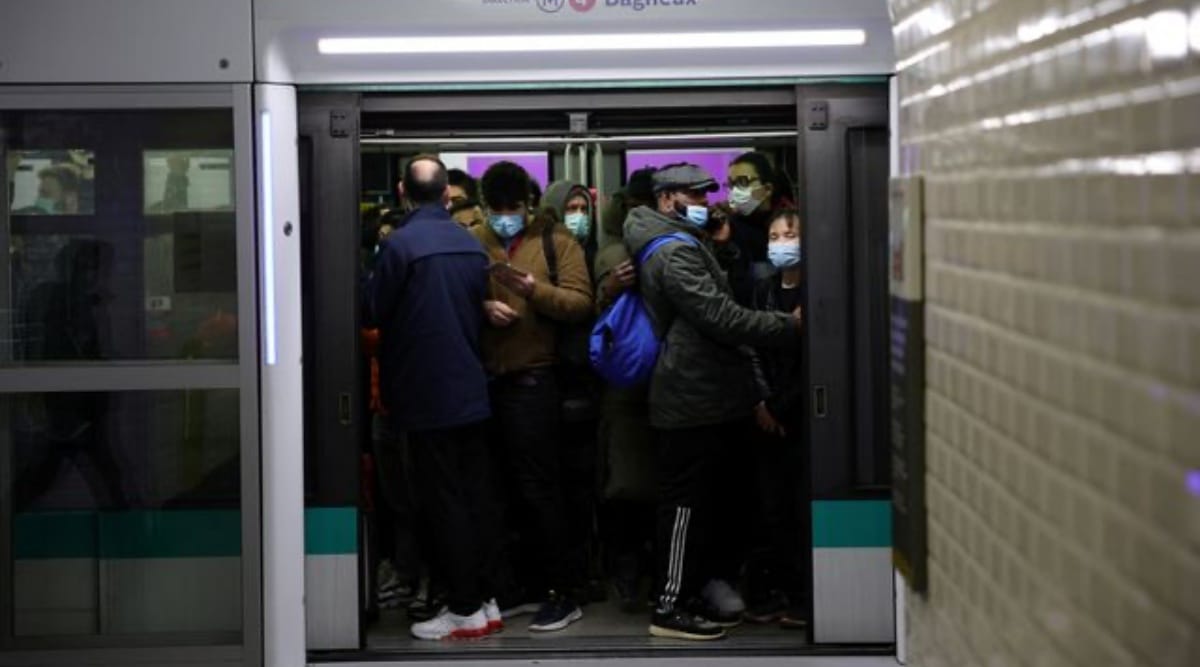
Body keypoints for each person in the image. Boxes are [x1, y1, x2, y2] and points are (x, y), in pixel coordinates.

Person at [622, 163, 802, 641]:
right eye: (693, 196)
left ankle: (692, 592)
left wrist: (720, 246)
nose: (704, 203)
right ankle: (668, 604)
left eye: (705, 195)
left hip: (705, 393)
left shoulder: (686, 242)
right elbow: (718, 316)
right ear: (666, 201)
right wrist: (788, 326)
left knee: (706, 505)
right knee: (682, 507)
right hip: (688, 396)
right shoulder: (673, 252)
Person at [365, 155, 499, 640]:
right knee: (474, 497)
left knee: (441, 503)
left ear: (402, 191)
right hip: (471, 387)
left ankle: (462, 608)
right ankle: (485, 599)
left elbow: (376, 309)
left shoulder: (400, 246)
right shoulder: (468, 244)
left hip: (426, 395)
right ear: (447, 194)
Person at [472, 161, 594, 633]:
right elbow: (459, 295)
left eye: (514, 207)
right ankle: (516, 585)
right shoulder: (475, 240)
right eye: (497, 209)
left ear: (529, 203)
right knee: (496, 490)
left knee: (541, 490)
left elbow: (581, 303)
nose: (506, 216)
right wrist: (481, 307)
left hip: (535, 381)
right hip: (487, 382)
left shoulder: (555, 242)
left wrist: (532, 290)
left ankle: (563, 591)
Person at [592, 167, 657, 612]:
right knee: (627, 487)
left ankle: (651, 570)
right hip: (629, 386)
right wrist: (611, 287)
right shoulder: (611, 255)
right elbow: (596, 320)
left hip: (675, 384)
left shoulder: (679, 247)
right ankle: (628, 570)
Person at [744, 209, 809, 629]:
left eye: (790, 234)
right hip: (766, 414)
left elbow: (812, 362)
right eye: (775, 235)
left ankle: (807, 597)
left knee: (800, 508)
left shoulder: (817, 289)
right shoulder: (763, 290)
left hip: (802, 416)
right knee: (772, 511)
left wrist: (782, 407)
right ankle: (781, 591)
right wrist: (762, 403)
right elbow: (750, 347)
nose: (782, 241)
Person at [725, 151, 796, 304]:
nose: (735, 191)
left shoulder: (795, 223)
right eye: (731, 184)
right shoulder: (728, 228)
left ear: (767, 189)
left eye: (743, 182)